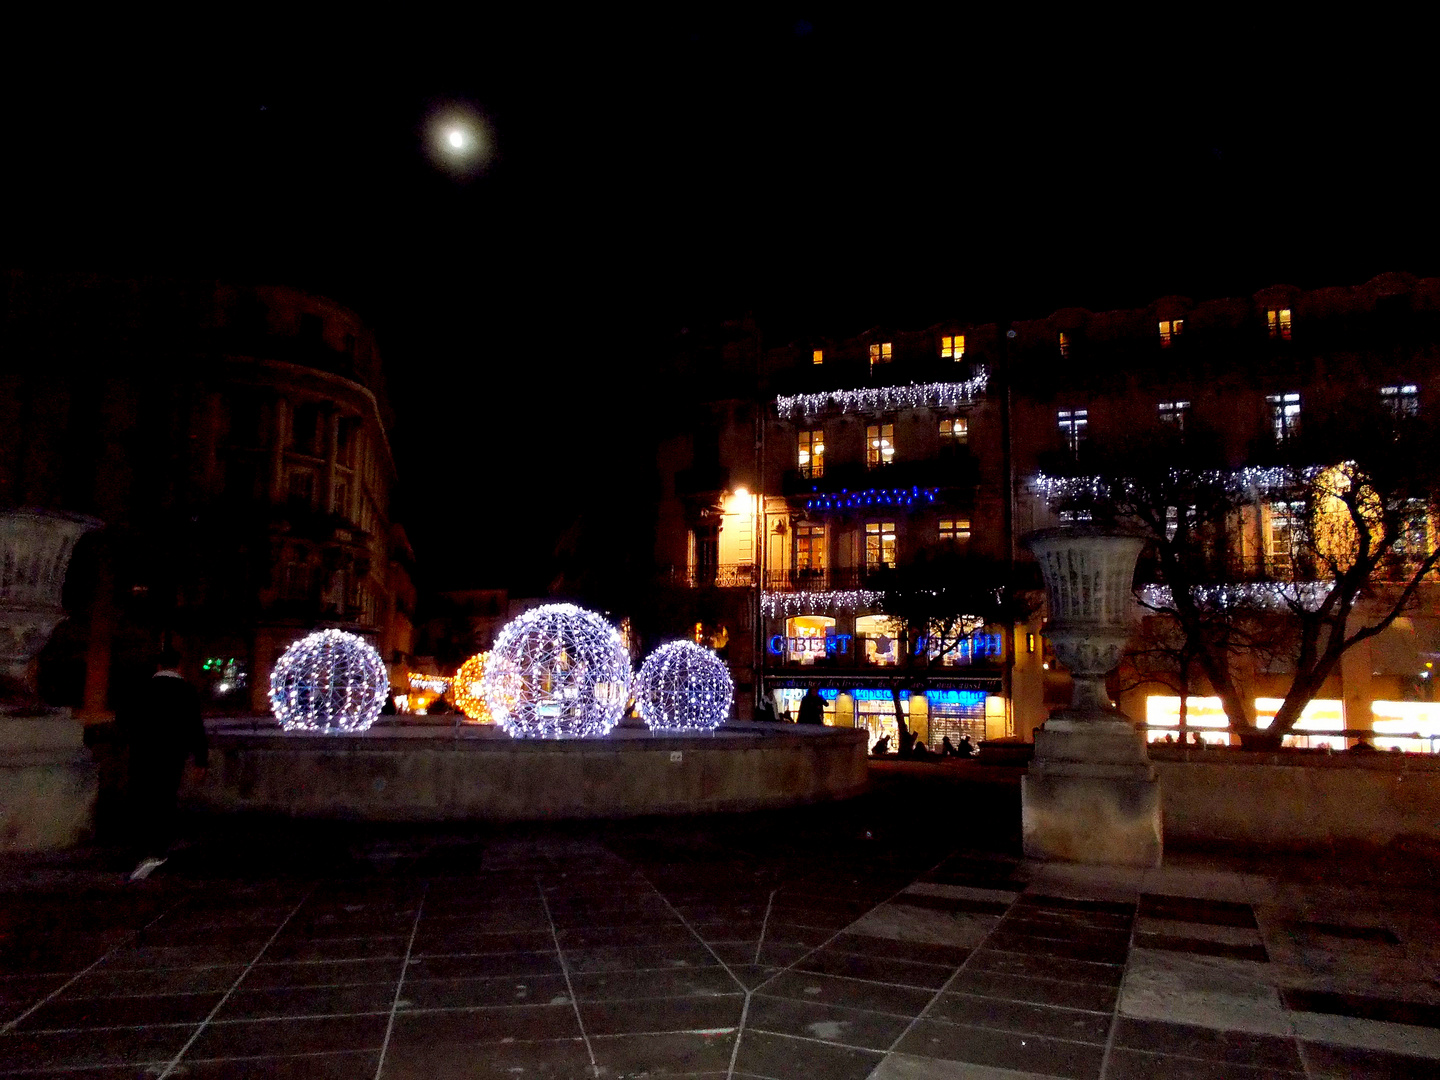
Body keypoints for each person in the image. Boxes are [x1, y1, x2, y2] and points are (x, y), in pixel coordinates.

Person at [118, 648, 207, 881]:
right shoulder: (186, 691)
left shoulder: (142, 688)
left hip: (143, 751)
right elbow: (196, 727)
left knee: (141, 795)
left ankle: (141, 845)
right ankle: (159, 847)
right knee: (165, 797)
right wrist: (201, 759)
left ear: (158, 667)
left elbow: (123, 719)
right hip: (171, 753)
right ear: (179, 666)